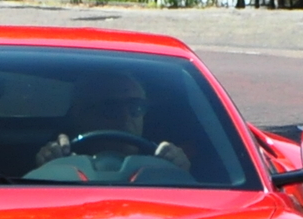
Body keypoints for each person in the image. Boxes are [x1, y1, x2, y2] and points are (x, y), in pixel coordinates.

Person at [34, 70, 192, 171]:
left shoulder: (162, 165)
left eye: (135, 107)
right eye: (109, 107)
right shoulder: (58, 163)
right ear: (79, 114)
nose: (125, 117)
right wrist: (48, 169)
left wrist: (179, 171)